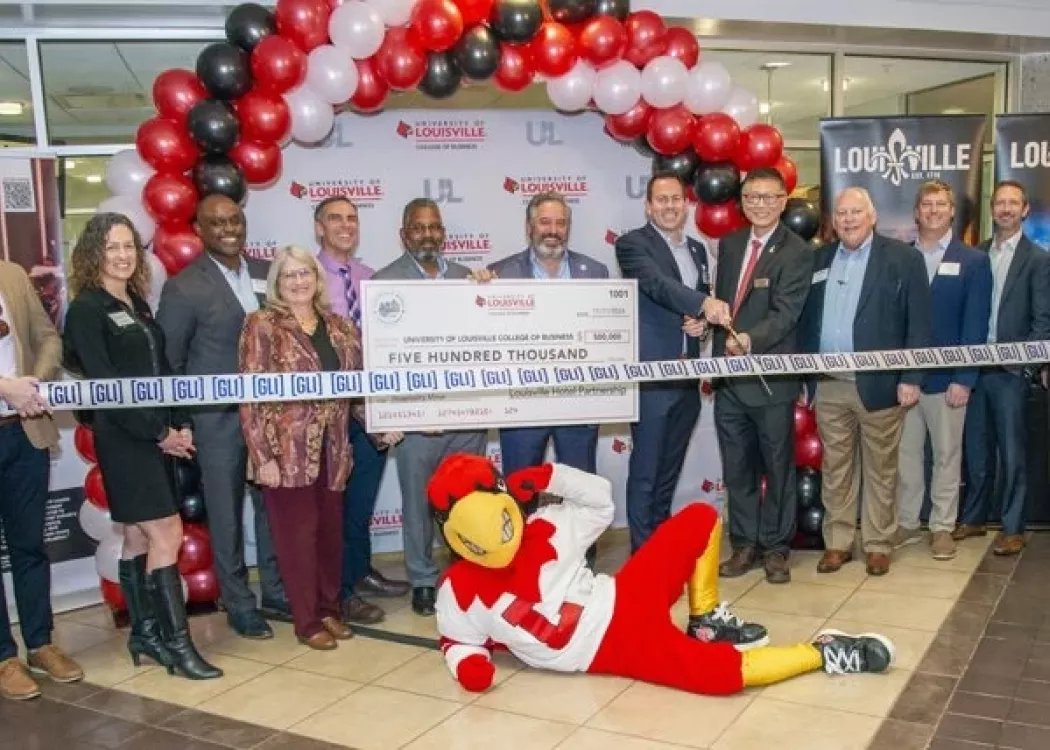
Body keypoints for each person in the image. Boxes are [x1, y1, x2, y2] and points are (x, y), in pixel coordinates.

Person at [427, 453, 895, 696]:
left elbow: (601, 499)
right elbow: (458, 640)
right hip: (612, 649)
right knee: (725, 678)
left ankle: (706, 617)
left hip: (623, 595)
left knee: (699, 518)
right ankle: (822, 652)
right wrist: (469, 665)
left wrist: (552, 477)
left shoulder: (546, 526)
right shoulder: (457, 590)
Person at [63, 213, 220, 680]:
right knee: (167, 534)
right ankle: (178, 647)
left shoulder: (135, 303)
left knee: (136, 535)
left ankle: (145, 635)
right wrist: (159, 433)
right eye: (112, 247)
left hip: (153, 432)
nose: (123, 255)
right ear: (95, 253)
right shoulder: (88, 309)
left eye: (129, 245)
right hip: (124, 438)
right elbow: (107, 385)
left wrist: (180, 421)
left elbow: (160, 373)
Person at [239, 246, 399, 649]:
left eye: (305, 273)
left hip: (335, 451)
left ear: (316, 277)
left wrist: (382, 429)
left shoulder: (341, 327)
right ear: (277, 282)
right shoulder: (262, 324)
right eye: (289, 275)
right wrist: (263, 457)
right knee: (297, 539)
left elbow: (358, 389)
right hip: (286, 454)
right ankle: (307, 621)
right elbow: (250, 396)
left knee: (331, 535)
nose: (298, 281)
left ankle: (330, 609)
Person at [157, 195, 288, 640]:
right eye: (217, 223)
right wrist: (182, 420)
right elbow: (169, 362)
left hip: (270, 415)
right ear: (200, 229)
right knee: (226, 511)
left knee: (272, 504)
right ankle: (239, 602)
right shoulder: (183, 286)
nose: (228, 228)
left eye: (234, 220)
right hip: (216, 421)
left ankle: (276, 590)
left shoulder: (267, 274)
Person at [799, 187, 932, 576]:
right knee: (836, 468)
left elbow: (919, 323)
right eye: (841, 213)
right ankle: (838, 542)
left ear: (872, 216)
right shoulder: (818, 258)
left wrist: (912, 377)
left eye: (856, 212)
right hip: (829, 383)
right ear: (833, 219)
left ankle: (877, 543)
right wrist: (807, 379)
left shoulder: (903, 258)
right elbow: (807, 320)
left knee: (881, 469)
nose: (848, 219)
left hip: (881, 383)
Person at [372, 198, 493, 616]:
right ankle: (423, 579)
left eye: (435, 227)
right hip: (415, 420)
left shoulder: (468, 278)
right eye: (419, 228)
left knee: (468, 500)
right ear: (404, 234)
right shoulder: (383, 282)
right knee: (418, 505)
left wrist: (491, 296)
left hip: (465, 414)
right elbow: (378, 356)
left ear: (444, 233)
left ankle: (468, 569)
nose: (428, 234)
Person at [487, 191, 608, 568]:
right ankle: (519, 565)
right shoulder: (498, 274)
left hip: (578, 401)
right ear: (529, 227)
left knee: (581, 489)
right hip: (523, 404)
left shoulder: (597, 272)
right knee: (520, 487)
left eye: (560, 223)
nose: (552, 231)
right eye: (545, 222)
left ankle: (580, 565)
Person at [614, 170, 732, 552]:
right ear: (648, 205)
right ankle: (642, 553)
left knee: (668, 472)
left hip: (688, 375)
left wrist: (700, 324)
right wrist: (703, 304)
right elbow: (657, 286)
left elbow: (693, 300)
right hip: (652, 375)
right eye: (661, 200)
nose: (669, 206)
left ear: (686, 204)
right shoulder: (633, 244)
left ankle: (659, 549)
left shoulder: (697, 249)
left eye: (676, 199)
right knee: (646, 471)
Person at [711, 167, 812, 584]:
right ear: (742, 201)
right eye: (752, 197)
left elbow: (786, 313)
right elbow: (725, 303)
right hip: (729, 379)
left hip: (771, 378)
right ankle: (744, 545)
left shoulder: (798, 251)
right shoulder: (730, 244)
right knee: (737, 468)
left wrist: (749, 340)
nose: (760, 204)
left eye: (769, 197)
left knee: (778, 466)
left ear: (783, 201)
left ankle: (775, 548)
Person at [313, 196, 408, 627]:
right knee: (336, 505)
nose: (345, 226)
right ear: (319, 227)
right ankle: (342, 592)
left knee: (362, 503)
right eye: (335, 219)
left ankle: (361, 571)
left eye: (352, 219)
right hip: (329, 414)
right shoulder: (305, 280)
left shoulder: (371, 279)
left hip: (372, 410)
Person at [895, 181, 992, 561]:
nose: (933, 211)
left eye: (941, 204)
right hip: (906, 381)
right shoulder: (900, 258)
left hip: (949, 381)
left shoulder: (973, 261)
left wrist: (964, 378)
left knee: (948, 456)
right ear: (916, 213)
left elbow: (976, 324)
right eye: (926, 205)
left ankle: (941, 527)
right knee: (906, 457)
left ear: (952, 212)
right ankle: (906, 520)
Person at [0, 259, 83, 701]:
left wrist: (35, 381)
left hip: (24, 433)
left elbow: (47, 337)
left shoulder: (11, 275)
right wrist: (3, 387)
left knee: (29, 545)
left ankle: (39, 643)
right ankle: (3, 657)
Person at [956, 181, 1050, 555]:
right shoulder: (977, 255)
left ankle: (1013, 527)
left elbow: (1044, 320)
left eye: (1014, 203)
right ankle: (976, 518)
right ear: (991, 209)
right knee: (976, 452)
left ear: (1025, 210)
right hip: (976, 370)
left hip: (1011, 373)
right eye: (1000, 203)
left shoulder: (1039, 260)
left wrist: (1025, 366)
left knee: (1013, 455)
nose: (1006, 209)